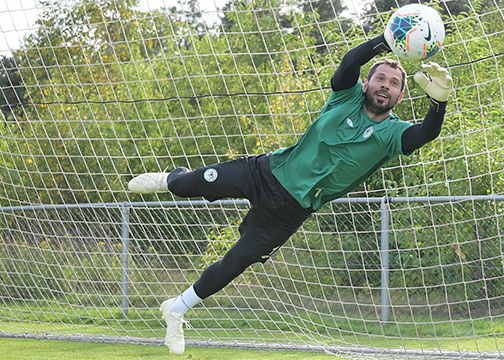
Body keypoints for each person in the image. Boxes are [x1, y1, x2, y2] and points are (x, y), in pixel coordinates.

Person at [127, 33, 452, 355]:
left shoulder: (393, 133)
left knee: (235, 263)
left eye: (394, 83)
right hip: (265, 172)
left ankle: (177, 308)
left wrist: (438, 103)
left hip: (290, 210)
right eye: (380, 78)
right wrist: (386, 39)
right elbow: (350, 62)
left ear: (400, 95)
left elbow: (425, 133)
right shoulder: (345, 97)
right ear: (366, 85)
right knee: (185, 187)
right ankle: (171, 178)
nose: (385, 85)